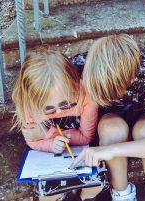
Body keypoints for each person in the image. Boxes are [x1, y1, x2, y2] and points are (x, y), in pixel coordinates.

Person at [70, 34, 145, 201]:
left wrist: (113, 150)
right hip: (107, 124)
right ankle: (122, 194)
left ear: (131, 78)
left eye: (107, 91)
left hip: (140, 120)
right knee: (112, 129)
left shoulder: (144, 74)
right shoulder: (79, 66)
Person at [12, 50, 106, 201]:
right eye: (48, 109)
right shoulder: (27, 104)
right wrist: (50, 143)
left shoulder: (86, 96)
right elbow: (32, 140)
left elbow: (86, 137)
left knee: (95, 183)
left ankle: (83, 197)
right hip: (48, 155)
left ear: (74, 85)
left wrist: (48, 133)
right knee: (47, 194)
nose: (58, 112)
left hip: (82, 151)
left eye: (66, 104)